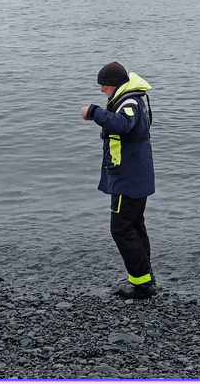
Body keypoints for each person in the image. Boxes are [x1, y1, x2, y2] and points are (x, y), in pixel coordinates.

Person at [80, 62, 157, 300]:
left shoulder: (130, 102)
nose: (102, 90)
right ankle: (144, 277)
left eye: (103, 86)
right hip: (135, 175)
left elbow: (124, 124)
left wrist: (93, 112)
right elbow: (126, 130)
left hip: (128, 178)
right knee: (134, 225)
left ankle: (142, 284)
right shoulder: (131, 98)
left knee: (121, 227)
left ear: (113, 84)